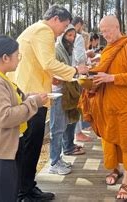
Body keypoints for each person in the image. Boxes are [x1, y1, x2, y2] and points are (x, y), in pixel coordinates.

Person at [9, 5, 88, 201]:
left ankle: (27, 187)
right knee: (30, 145)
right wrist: (76, 71)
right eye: (64, 25)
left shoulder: (35, 30)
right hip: (32, 96)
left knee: (29, 145)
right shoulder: (44, 31)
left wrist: (51, 76)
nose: (64, 30)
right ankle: (24, 192)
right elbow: (48, 63)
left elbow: (39, 63)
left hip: (29, 92)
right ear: (54, 19)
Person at [79, 16, 127, 201]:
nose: (104, 34)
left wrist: (111, 78)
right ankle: (114, 169)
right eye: (102, 31)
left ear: (117, 27)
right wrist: (90, 73)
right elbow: (103, 70)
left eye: (107, 30)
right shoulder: (108, 49)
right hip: (108, 104)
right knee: (109, 138)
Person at [0, 36, 47, 202]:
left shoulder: (0, 77)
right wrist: (33, 103)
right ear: (5, 57)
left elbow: (10, 102)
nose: (19, 60)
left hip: (5, 150)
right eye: (17, 55)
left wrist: (27, 97)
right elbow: (4, 117)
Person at [49, 25, 84, 176]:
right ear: (62, 35)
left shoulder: (68, 50)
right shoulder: (56, 49)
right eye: (69, 35)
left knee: (63, 127)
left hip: (66, 90)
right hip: (57, 93)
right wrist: (73, 72)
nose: (72, 38)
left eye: (73, 35)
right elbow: (53, 73)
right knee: (56, 129)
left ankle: (59, 158)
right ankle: (53, 162)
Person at [71, 17, 93, 143]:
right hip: (76, 72)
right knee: (78, 104)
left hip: (67, 72)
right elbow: (79, 58)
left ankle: (76, 133)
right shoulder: (78, 37)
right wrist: (87, 55)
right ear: (79, 25)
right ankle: (78, 133)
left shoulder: (60, 37)